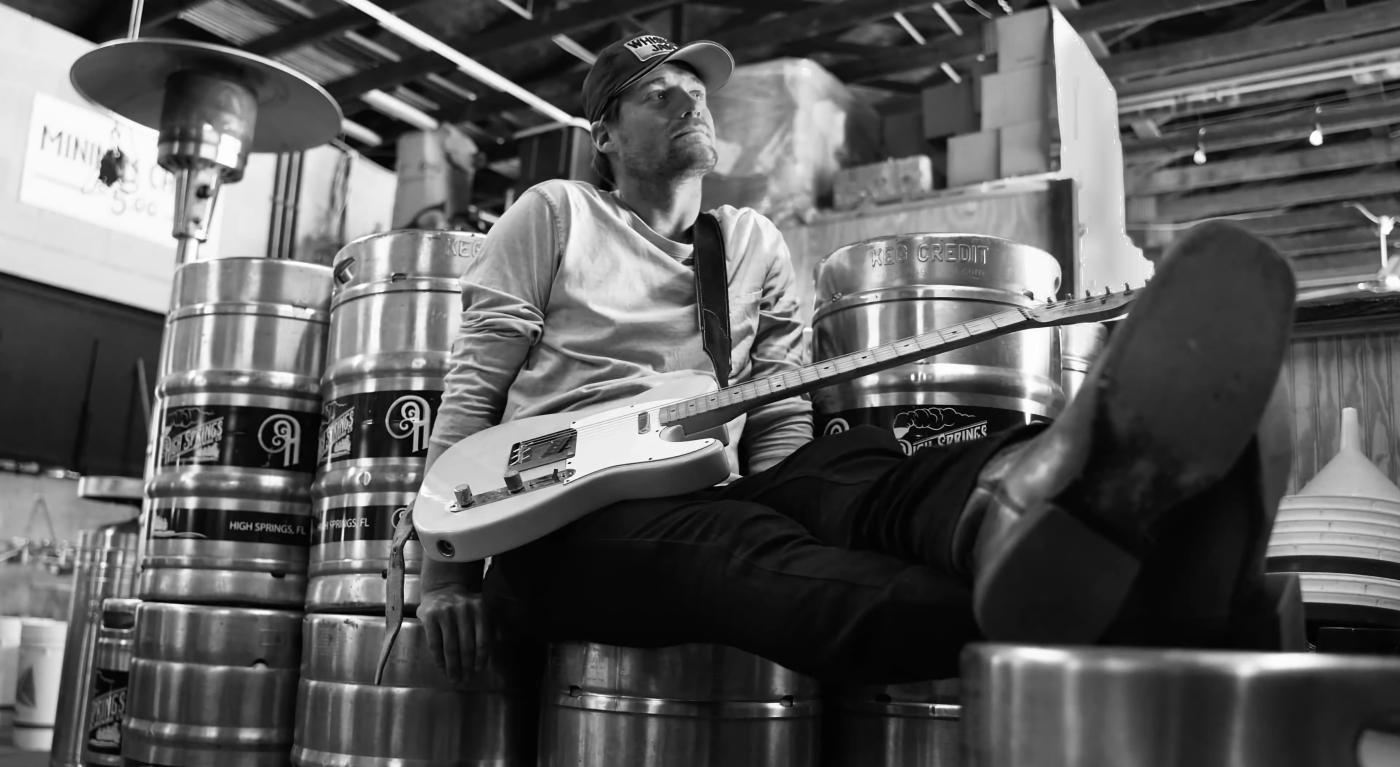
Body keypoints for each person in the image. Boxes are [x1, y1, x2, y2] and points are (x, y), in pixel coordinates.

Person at [402, 33, 1298, 685]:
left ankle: (1035, 493)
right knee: (738, 550)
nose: (691, 103)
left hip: (697, 477)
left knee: (860, 460)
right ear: (602, 134)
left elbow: (780, 407)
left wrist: (826, 499)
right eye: (658, 95)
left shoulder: (749, 241)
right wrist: (444, 575)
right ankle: (1129, 617)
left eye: (697, 90)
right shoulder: (554, 212)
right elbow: (477, 381)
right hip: (558, 532)